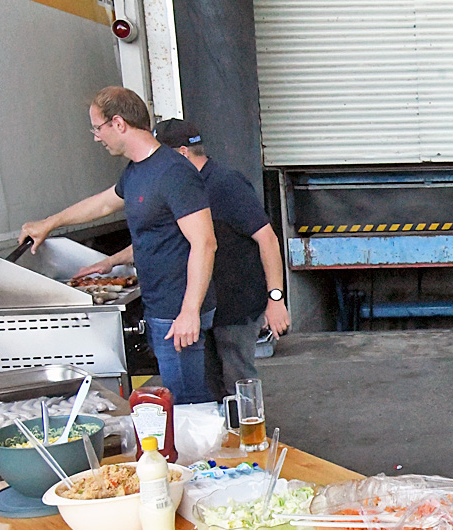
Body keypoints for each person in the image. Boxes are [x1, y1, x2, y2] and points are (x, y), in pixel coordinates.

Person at [20, 87, 216, 404]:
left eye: (97, 128)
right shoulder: (137, 170)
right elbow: (102, 204)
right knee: (180, 400)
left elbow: (205, 243)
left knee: (188, 405)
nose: (97, 137)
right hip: (162, 308)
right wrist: (49, 223)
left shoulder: (174, 172)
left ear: (119, 123)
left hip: (177, 311)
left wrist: (189, 311)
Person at [153, 119, 291, 399]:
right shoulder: (183, 188)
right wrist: (110, 262)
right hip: (206, 306)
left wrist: (275, 299)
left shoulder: (226, 184)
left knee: (238, 384)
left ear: (181, 153)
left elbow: (267, 239)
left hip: (236, 307)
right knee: (211, 387)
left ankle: (250, 426)